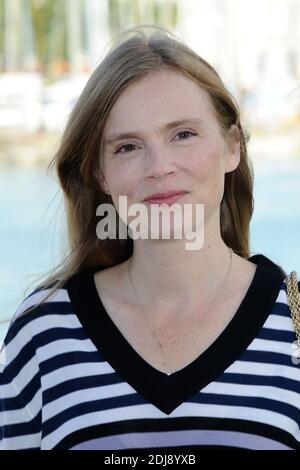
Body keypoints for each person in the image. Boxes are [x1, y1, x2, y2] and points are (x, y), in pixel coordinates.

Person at [0, 25, 299, 451]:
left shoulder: (294, 326)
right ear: (99, 174)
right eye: (127, 147)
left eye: (183, 134)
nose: (159, 167)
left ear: (232, 145)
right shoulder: (43, 332)